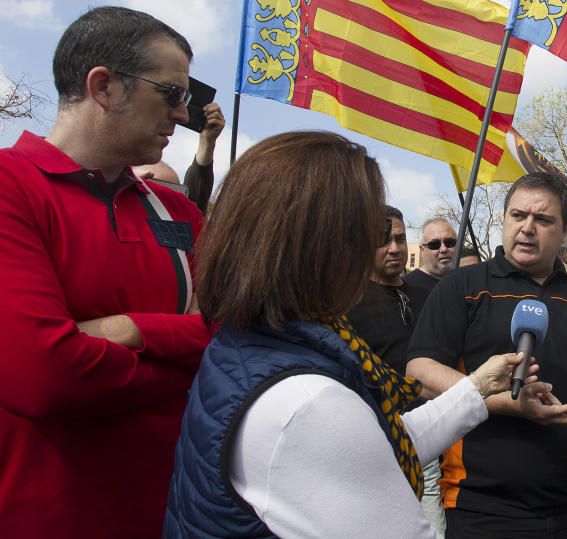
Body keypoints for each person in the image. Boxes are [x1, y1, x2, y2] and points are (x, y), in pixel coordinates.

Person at [164, 131, 533, 538]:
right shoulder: (309, 404)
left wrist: (477, 387)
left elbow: (378, 443)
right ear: (322, 247)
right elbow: (347, 440)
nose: (377, 251)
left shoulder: (256, 341)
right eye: (366, 234)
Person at [0, 6, 212, 538]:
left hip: (177, 516)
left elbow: (231, 332)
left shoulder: (181, 213)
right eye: (171, 94)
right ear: (104, 87)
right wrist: (184, 355)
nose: (183, 115)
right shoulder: (10, 186)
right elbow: (45, 380)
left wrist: (129, 329)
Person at [407, 172, 567, 537]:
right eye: (518, 216)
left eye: (543, 220)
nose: (527, 228)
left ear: (566, 230)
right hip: (481, 508)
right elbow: (419, 372)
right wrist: (500, 401)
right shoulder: (462, 285)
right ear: (504, 220)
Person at [347, 205, 442, 533]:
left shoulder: (427, 295)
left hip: (427, 442)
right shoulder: (346, 302)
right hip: (372, 445)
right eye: (383, 240)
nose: (395, 248)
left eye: (401, 239)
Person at [406, 218, 458, 291]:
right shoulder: (407, 287)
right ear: (422, 250)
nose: (443, 249)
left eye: (449, 242)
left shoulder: (466, 281)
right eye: (434, 244)